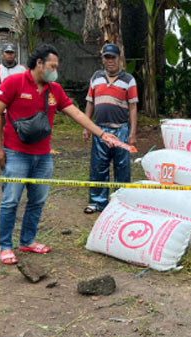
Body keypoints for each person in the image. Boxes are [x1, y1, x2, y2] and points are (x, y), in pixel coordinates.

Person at [0, 44, 122, 265]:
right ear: (39, 63)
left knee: (37, 200)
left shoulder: (55, 90)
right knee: (10, 200)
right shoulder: (14, 82)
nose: (55, 70)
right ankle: (5, 246)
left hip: (43, 155)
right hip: (16, 153)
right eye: (52, 66)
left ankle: (27, 241)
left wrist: (102, 134)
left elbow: (76, 113)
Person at [81, 43, 138, 214]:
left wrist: (132, 133)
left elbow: (133, 107)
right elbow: (90, 102)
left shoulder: (128, 80)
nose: (110, 61)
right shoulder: (96, 77)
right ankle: (96, 202)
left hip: (120, 129)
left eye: (113, 57)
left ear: (119, 59)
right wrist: (86, 126)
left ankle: (121, 202)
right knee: (98, 166)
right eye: (107, 57)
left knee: (122, 167)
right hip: (100, 130)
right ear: (103, 59)